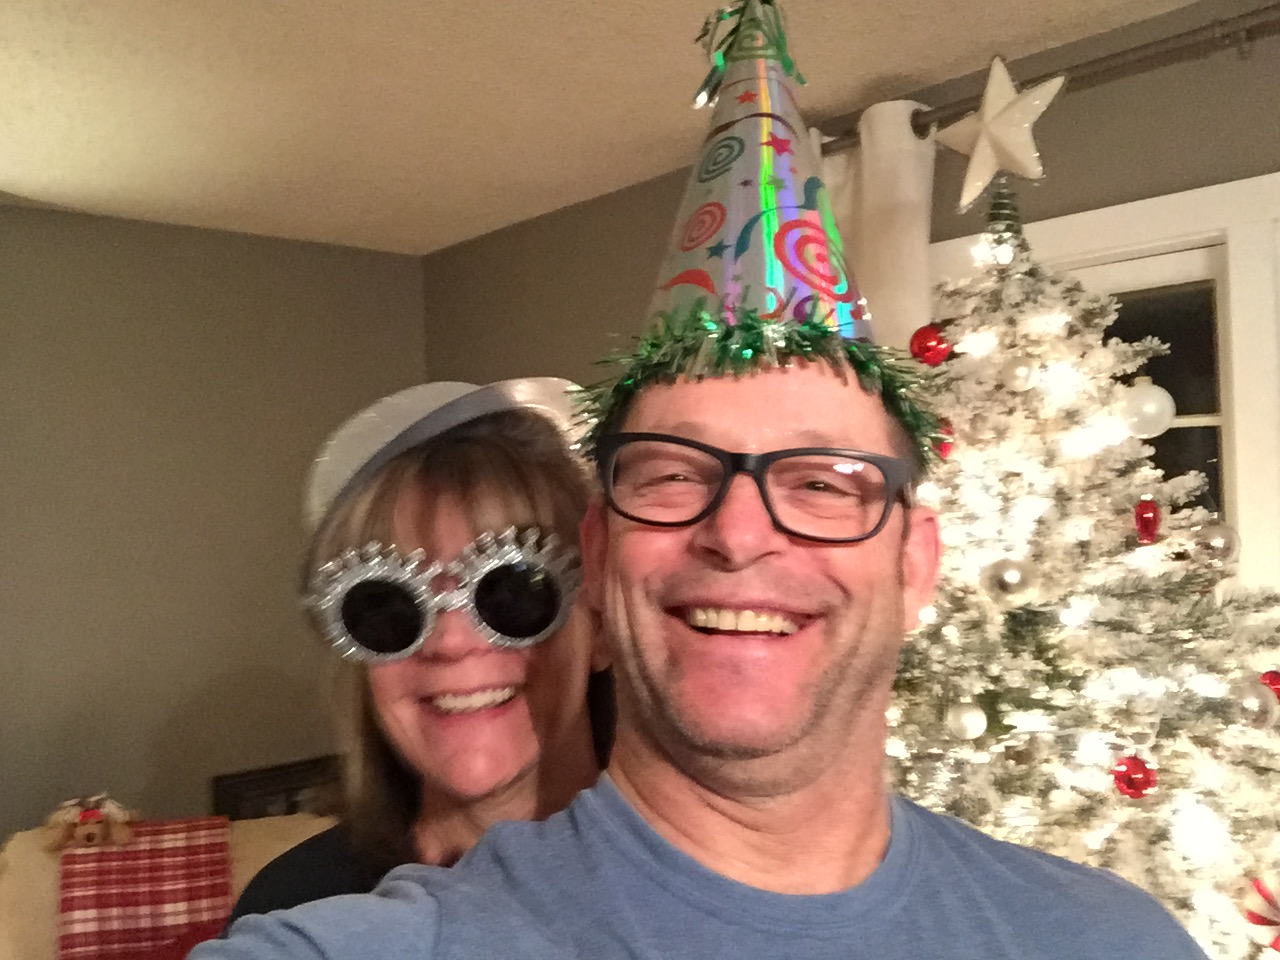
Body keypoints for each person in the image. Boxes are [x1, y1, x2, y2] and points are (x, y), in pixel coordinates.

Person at [198, 2, 1207, 956]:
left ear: (915, 565)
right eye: (674, 476)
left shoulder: (1111, 939)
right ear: (600, 560)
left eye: (822, 483)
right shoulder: (374, 931)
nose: (739, 531)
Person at [225, 378, 612, 921]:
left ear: (601, 627)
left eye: (513, 593)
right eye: (389, 606)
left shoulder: (702, 890)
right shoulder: (297, 908)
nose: (449, 642)